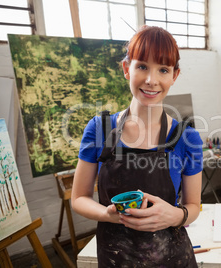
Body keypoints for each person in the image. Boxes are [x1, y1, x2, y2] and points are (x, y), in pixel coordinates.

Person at [71, 25, 203, 267]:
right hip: (115, 258)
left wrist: (175, 215)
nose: (151, 80)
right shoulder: (99, 130)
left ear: (174, 76)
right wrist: (108, 215)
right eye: (142, 66)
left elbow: (194, 205)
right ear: (126, 69)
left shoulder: (187, 138)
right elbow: (79, 197)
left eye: (163, 69)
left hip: (172, 258)